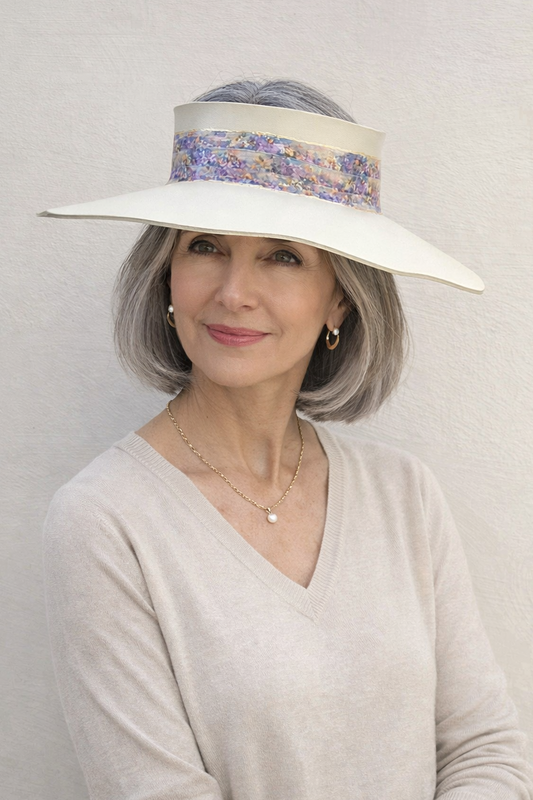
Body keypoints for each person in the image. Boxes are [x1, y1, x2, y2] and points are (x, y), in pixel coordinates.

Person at [40, 79, 533, 800]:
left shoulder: (402, 494)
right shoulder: (105, 522)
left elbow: (484, 749)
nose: (234, 291)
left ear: (339, 295)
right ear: (167, 275)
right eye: (206, 245)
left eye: (283, 255)